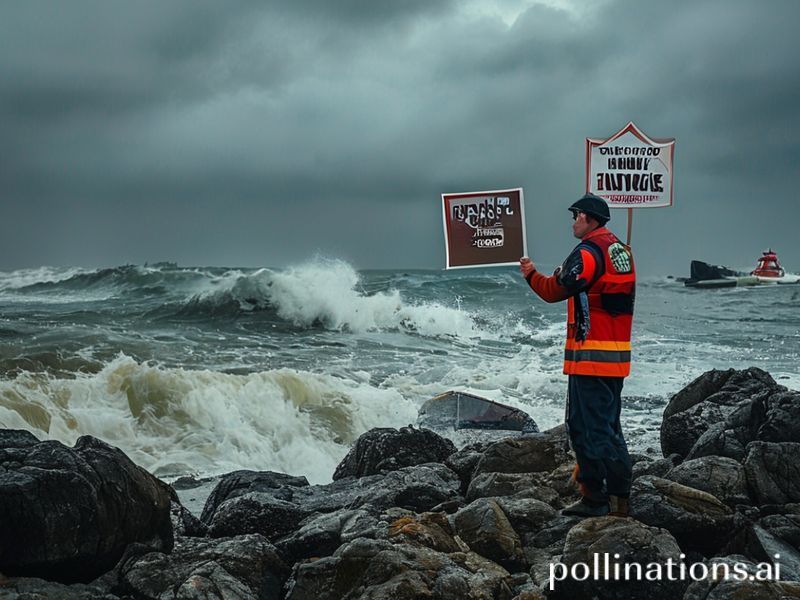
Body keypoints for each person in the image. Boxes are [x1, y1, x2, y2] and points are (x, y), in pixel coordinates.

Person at [519, 193, 635, 518]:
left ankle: (603, 501)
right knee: (607, 426)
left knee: (589, 428)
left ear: (588, 218)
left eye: (575, 215)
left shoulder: (588, 252)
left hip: (593, 357)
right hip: (614, 355)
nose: (573, 221)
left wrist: (530, 274)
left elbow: (555, 290)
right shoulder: (620, 249)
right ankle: (613, 498)